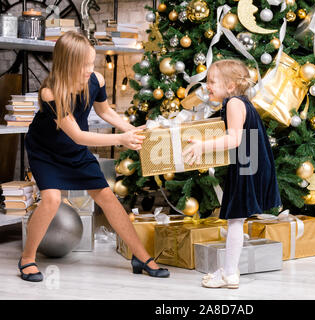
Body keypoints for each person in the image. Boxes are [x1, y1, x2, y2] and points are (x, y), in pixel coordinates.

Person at [19, 31, 169, 282]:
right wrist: (120, 140)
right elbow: (78, 135)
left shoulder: (95, 81)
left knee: (108, 197)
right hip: (46, 150)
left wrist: (129, 129)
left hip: (74, 150)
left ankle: (141, 256)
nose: (90, 69)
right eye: (84, 65)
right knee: (52, 199)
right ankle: (27, 259)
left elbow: (105, 112)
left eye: (92, 62)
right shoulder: (50, 93)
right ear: (68, 64)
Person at [183, 59, 281, 289]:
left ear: (229, 86)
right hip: (252, 161)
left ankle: (229, 273)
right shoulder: (240, 102)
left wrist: (201, 147)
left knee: (235, 219)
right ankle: (230, 270)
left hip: (249, 164)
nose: (207, 86)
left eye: (211, 81)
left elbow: (234, 139)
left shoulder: (233, 103)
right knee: (237, 218)